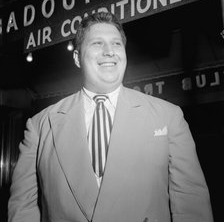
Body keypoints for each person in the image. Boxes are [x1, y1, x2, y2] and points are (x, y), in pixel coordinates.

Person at [8, 12, 213, 222]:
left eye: (116, 44)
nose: (109, 52)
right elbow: (22, 206)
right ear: (77, 58)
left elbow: (192, 203)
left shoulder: (169, 116)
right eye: (97, 43)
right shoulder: (39, 126)